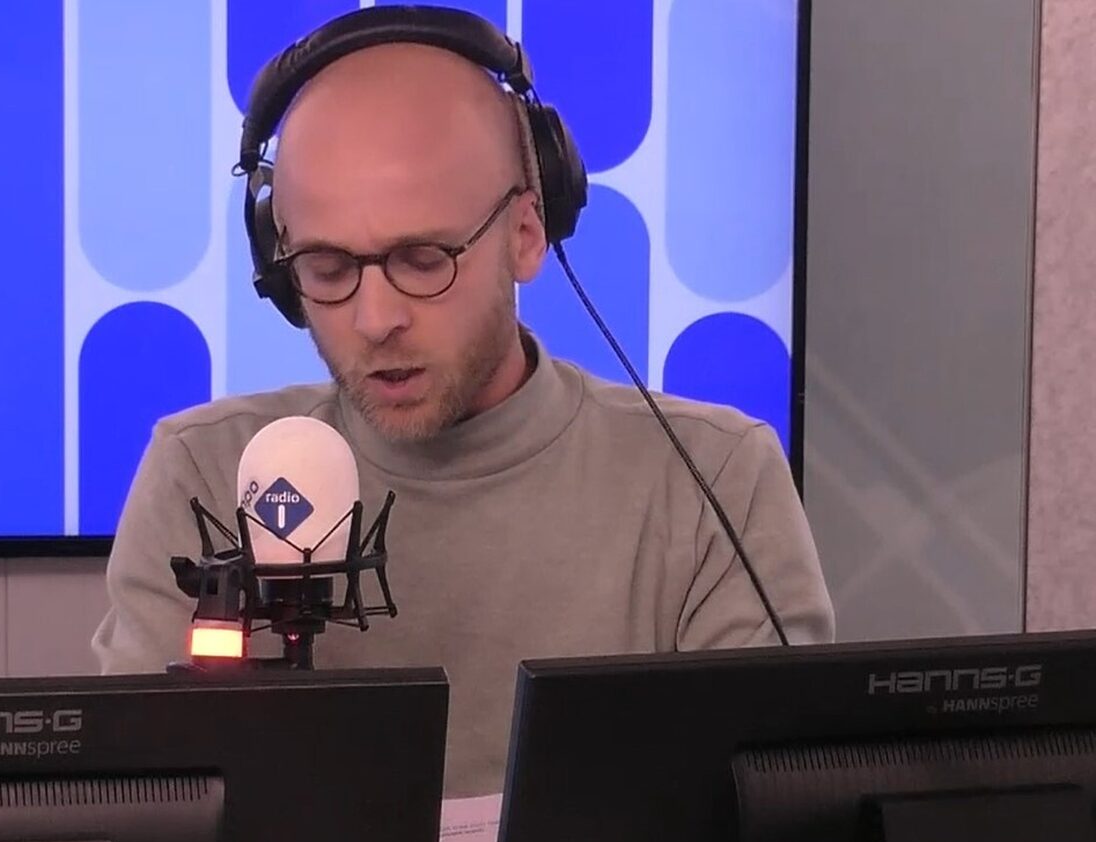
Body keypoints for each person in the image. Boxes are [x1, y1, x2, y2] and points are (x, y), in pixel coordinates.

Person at [91, 8, 834, 798]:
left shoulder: (714, 482)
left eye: (423, 259)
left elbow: (770, 831)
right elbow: (143, 823)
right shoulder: (204, 475)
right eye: (328, 269)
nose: (375, 319)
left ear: (527, 233)